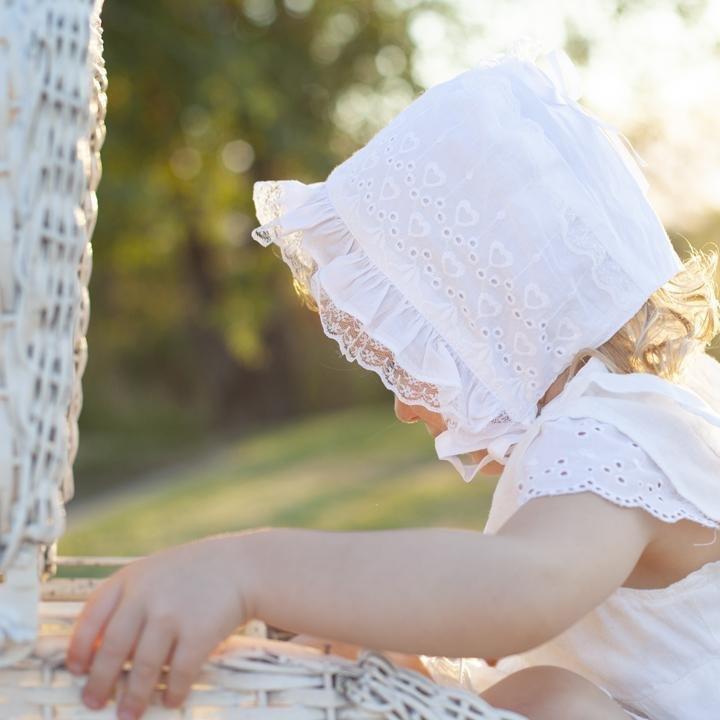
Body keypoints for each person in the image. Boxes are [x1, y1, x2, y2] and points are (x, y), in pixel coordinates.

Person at [65, 42, 720, 720]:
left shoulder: (614, 437)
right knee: (531, 694)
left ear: (497, 324)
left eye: (415, 362)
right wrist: (395, 645)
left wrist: (251, 570)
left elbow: (516, 591)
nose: (407, 408)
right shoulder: (621, 424)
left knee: (547, 701)